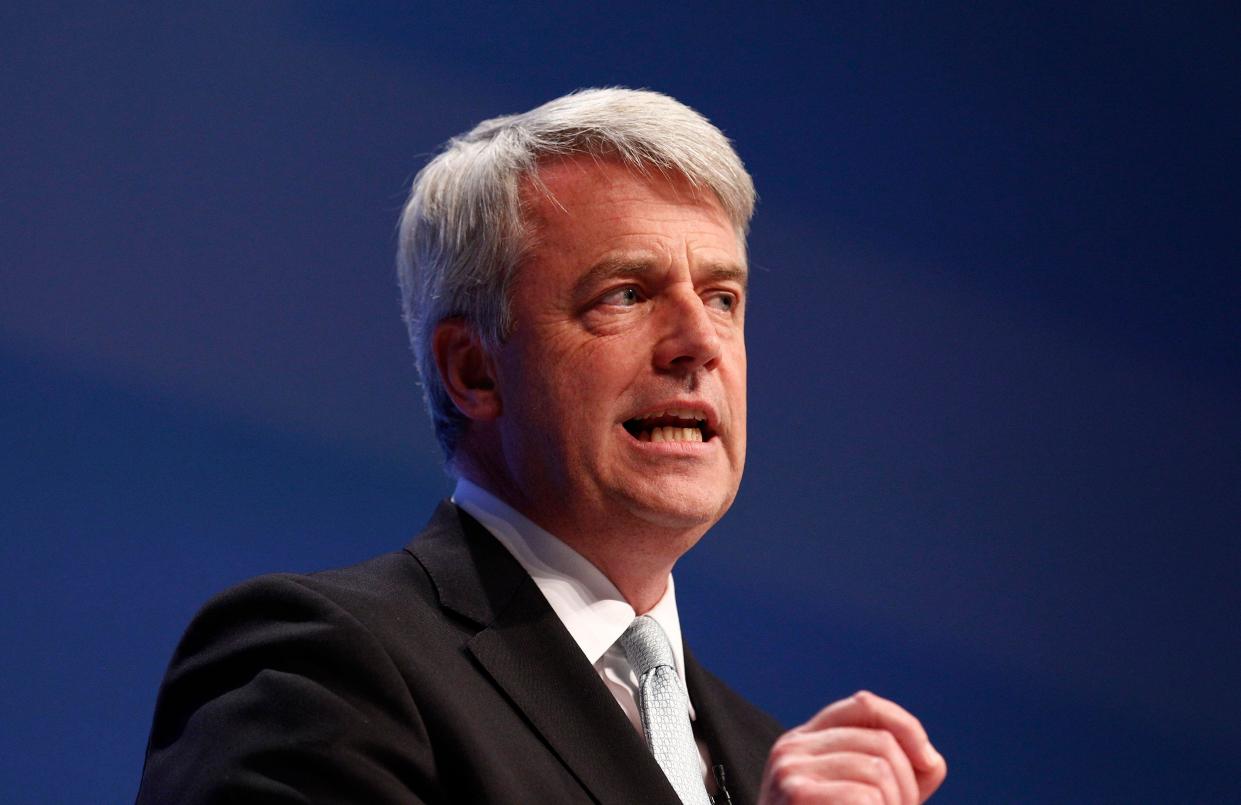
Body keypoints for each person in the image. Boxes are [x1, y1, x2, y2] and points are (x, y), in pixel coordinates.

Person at [137, 88, 947, 804]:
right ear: (473, 368)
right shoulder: (323, 667)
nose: (698, 342)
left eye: (721, 296)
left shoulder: (764, 754)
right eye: (626, 294)